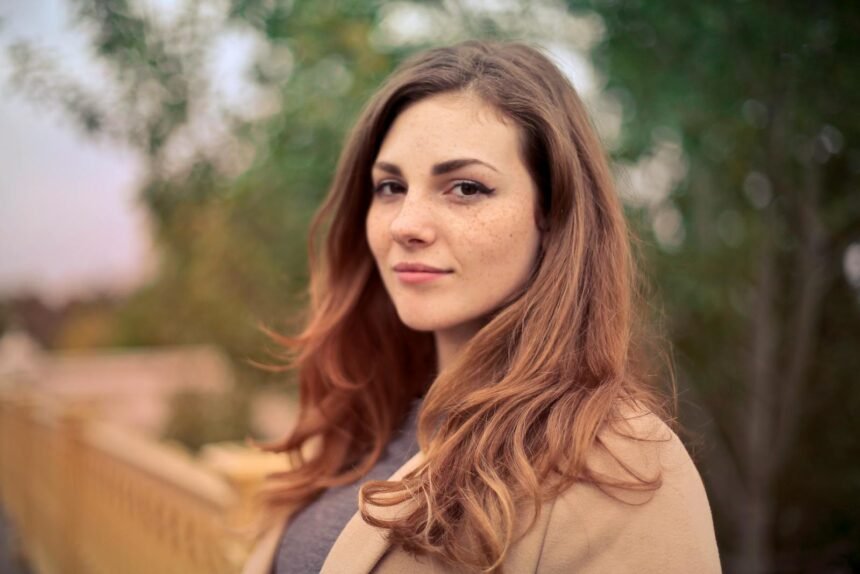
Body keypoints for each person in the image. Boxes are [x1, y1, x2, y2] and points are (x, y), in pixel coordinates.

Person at [243, 40, 721, 574]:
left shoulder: (620, 464)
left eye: (465, 188)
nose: (406, 224)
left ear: (552, 214)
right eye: (391, 187)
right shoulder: (364, 424)